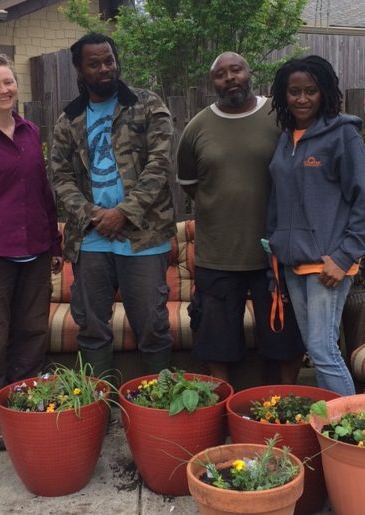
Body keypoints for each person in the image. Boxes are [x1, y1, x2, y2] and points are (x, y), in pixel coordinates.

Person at [51, 33, 175, 379]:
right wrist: (94, 215)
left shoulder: (147, 104)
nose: (105, 68)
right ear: (79, 68)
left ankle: (155, 403)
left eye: (109, 60)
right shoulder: (68, 119)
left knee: (152, 324)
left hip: (143, 237)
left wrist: (124, 212)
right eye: (94, 63)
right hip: (90, 239)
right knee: (91, 325)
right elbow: (60, 177)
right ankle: (97, 406)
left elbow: (161, 164)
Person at [177, 52, 305, 384]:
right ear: (212, 83)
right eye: (221, 74)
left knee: (284, 337)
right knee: (214, 340)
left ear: (249, 73)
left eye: (236, 70)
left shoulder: (279, 118)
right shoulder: (197, 127)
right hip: (218, 255)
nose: (230, 78)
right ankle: (225, 405)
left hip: (274, 254)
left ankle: (285, 403)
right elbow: (191, 185)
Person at [0, 54, 63, 450]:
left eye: (8, 82)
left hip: (36, 251)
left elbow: (43, 192)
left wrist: (55, 243)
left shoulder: (30, 132)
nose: (4, 89)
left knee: (32, 333)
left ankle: (23, 403)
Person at [267, 55, 365, 396]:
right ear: (283, 95)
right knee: (318, 348)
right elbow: (277, 205)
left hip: (328, 265)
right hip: (293, 265)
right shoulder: (286, 139)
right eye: (294, 91)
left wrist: (345, 256)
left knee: (324, 352)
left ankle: (352, 434)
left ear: (324, 92)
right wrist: (274, 260)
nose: (302, 98)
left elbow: (362, 199)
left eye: (311, 90)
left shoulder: (343, 136)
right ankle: (332, 430)